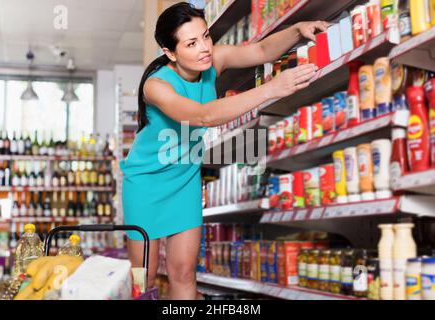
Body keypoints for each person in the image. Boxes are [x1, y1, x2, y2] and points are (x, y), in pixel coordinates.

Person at [120, 2, 328, 300]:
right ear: (170, 53)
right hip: (146, 184)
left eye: (206, 36)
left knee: (183, 272)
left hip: (184, 181)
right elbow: (202, 115)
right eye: (191, 43)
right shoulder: (156, 87)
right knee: (143, 276)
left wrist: (297, 30)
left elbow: (261, 51)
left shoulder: (212, 59)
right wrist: (271, 89)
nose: (204, 47)